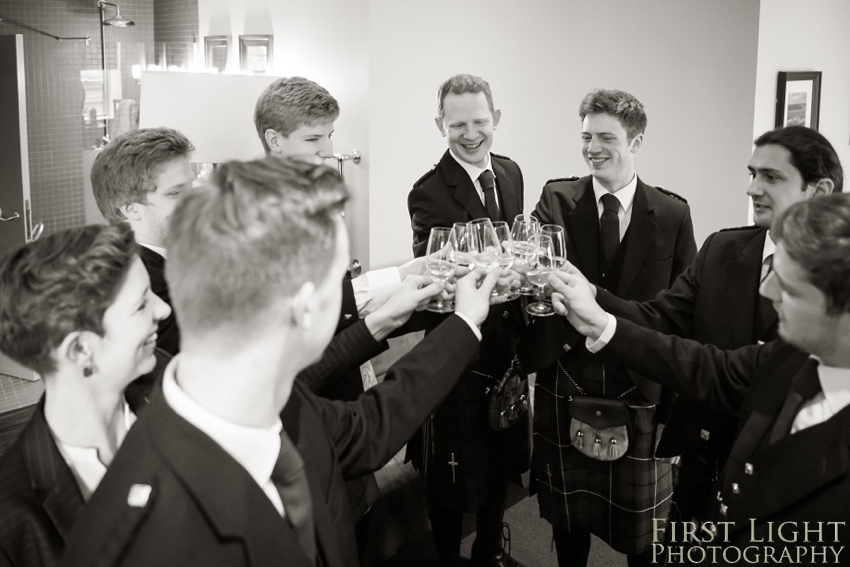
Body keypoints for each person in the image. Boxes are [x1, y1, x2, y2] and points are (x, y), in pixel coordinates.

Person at [60, 156, 500, 566]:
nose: (348, 294)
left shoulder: (264, 397)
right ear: (306, 306)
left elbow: (367, 429)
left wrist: (463, 322)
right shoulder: (154, 527)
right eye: (340, 278)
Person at [547, 192, 850, 563]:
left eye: (787, 284)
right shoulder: (790, 355)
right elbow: (705, 367)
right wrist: (601, 322)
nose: (766, 290)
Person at [580, 125, 843, 532]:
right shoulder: (723, 248)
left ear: (820, 190)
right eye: (752, 173)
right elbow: (669, 328)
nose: (752, 188)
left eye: (771, 177)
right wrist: (592, 297)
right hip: (703, 460)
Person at [520, 88, 696, 566]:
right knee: (568, 519)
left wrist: (674, 411)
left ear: (635, 141)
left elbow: (683, 317)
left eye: (605, 137)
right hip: (567, 372)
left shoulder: (672, 214)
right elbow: (534, 271)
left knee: (643, 533)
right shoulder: (556, 199)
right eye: (585, 136)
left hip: (638, 383)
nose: (592, 147)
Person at [407, 73, 529, 567]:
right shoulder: (428, 191)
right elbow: (435, 275)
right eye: (458, 125)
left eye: (480, 122)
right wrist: (500, 266)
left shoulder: (512, 172)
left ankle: (487, 552)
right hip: (458, 353)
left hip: (507, 350)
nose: (470, 134)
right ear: (441, 124)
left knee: (501, 465)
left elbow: (514, 249)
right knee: (452, 478)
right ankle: (446, 558)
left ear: (495, 119)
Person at [0, 223, 171, 567]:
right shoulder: (12, 519)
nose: (163, 310)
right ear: (80, 349)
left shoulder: (171, 382)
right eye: (140, 306)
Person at [91, 127, 195, 355]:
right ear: (130, 208)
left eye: (191, 187)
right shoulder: (146, 288)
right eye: (175, 193)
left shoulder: (179, 254)